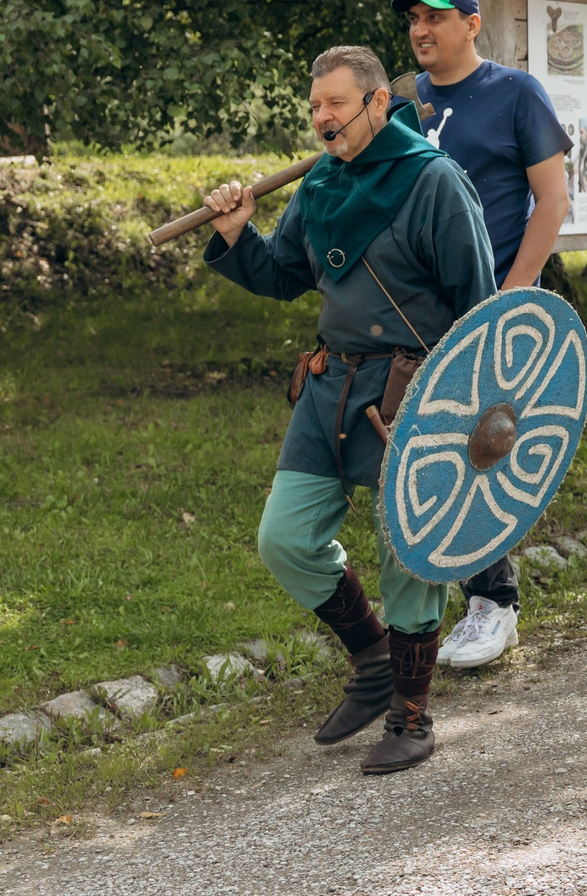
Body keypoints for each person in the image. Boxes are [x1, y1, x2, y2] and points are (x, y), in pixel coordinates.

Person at [201, 46, 498, 774]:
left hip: (417, 390)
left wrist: (473, 410)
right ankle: (371, 656)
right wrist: (240, 234)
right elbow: (284, 275)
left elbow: (480, 302)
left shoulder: (433, 181)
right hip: (330, 387)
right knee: (285, 537)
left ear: (376, 103)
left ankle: (411, 712)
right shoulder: (322, 185)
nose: (322, 118)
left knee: (409, 549)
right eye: (314, 107)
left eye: (335, 104)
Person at [395, 0, 573, 670]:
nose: (421, 29)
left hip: (485, 305)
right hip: (413, 306)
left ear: (471, 23)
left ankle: (494, 604)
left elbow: (551, 202)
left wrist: (512, 295)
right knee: (421, 445)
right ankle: (423, 598)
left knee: (478, 448)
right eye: (414, 18)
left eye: (436, 17)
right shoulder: (407, 100)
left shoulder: (516, 93)